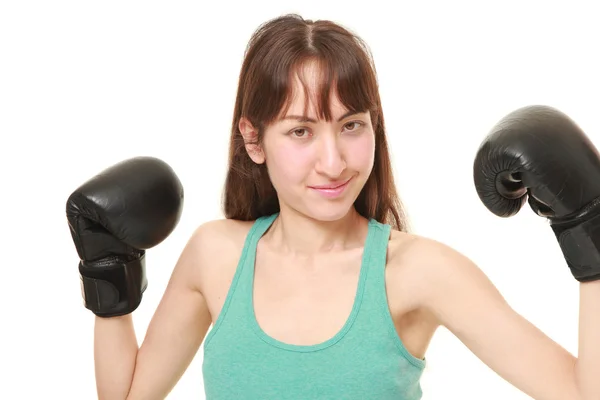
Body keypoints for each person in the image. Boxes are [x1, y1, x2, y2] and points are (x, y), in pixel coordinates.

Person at [66, 13, 600, 400]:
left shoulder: (419, 272)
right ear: (254, 140)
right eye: (301, 131)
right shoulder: (216, 254)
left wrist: (589, 230)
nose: (334, 161)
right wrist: (107, 273)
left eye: (351, 126)